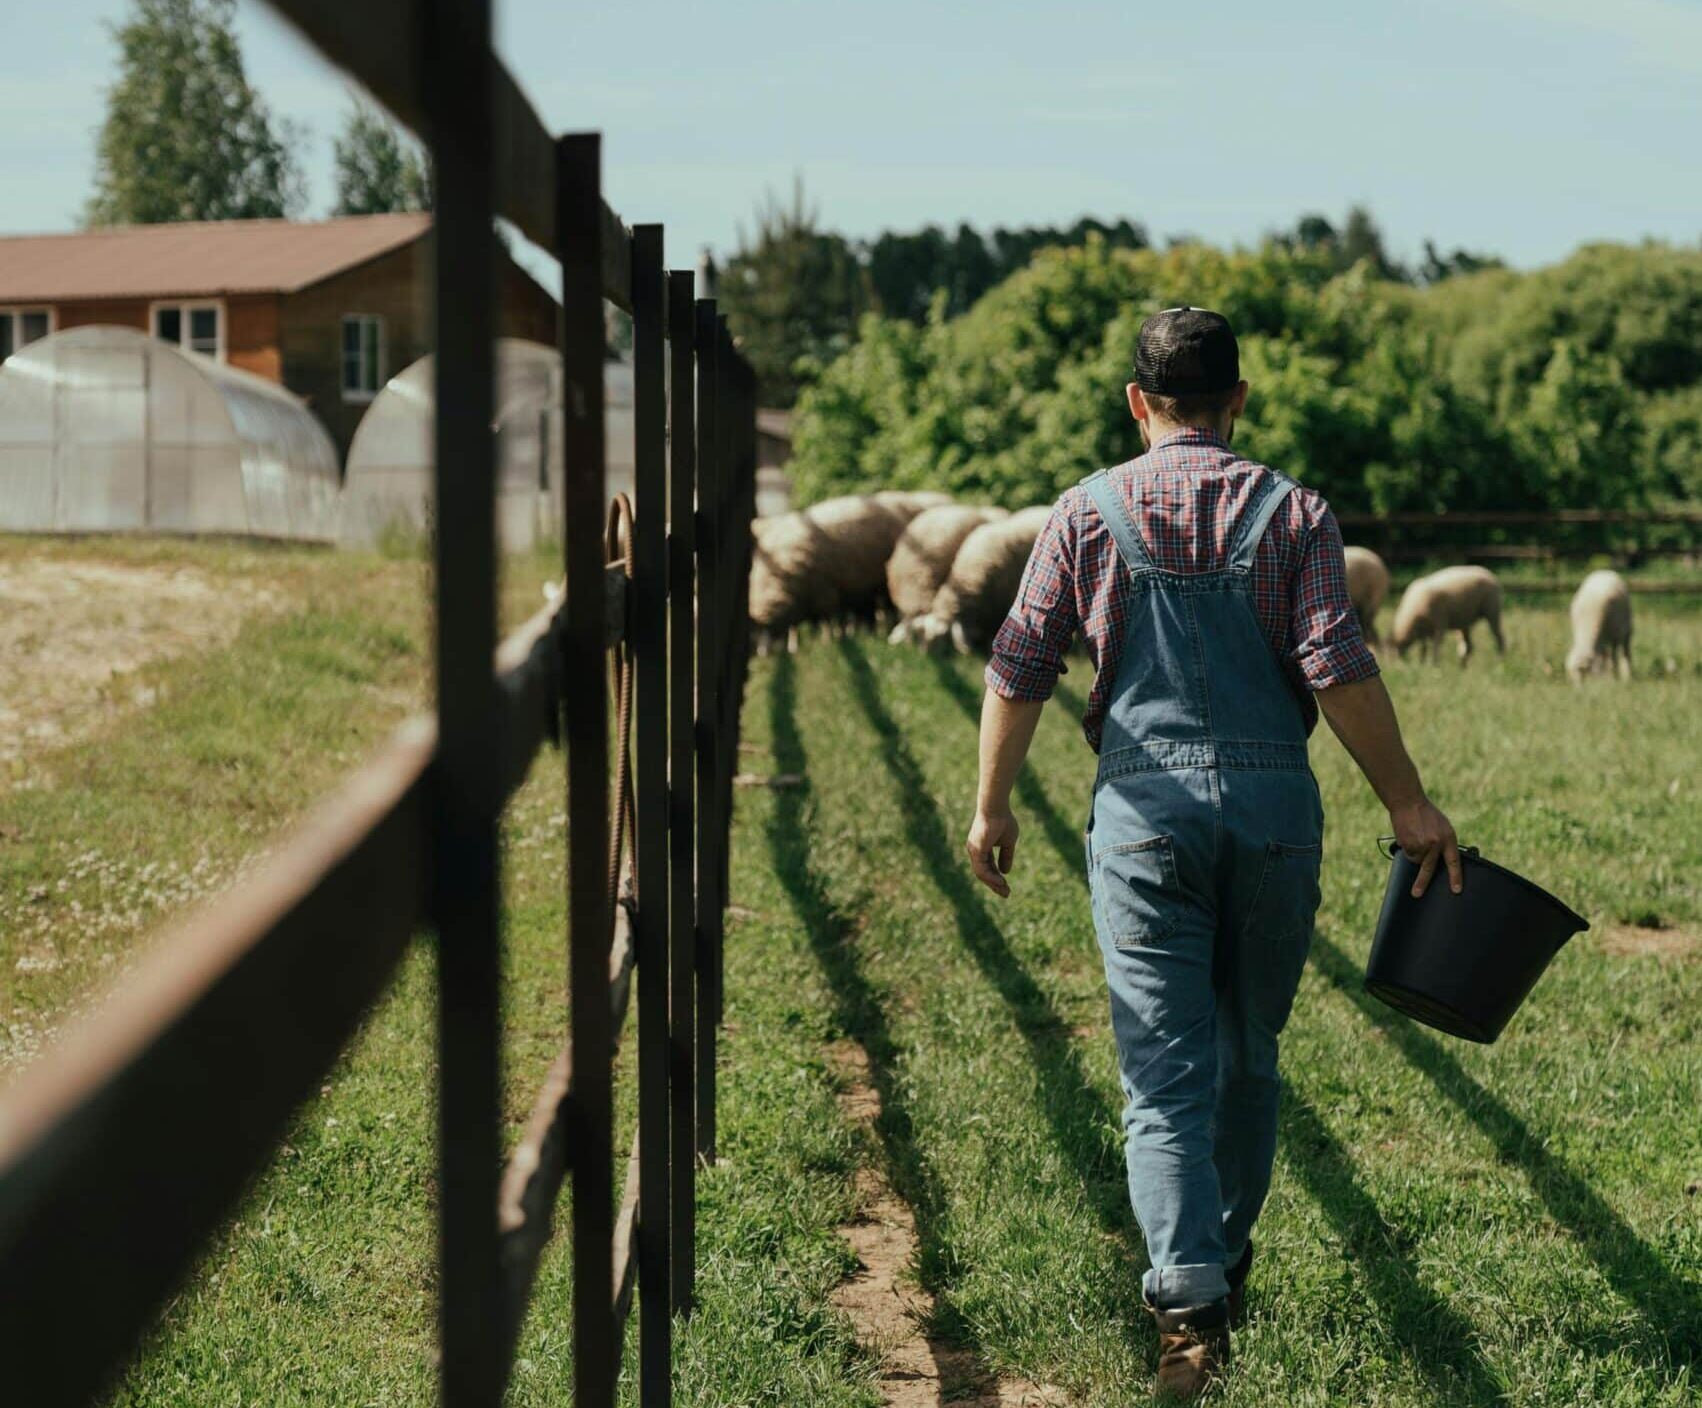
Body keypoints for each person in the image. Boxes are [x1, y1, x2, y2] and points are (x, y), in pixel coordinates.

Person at [963, 307, 1461, 1400]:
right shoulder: (1297, 512)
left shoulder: (1084, 511)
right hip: (1275, 811)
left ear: (1136, 404)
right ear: (1238, 399)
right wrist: (1409, 802)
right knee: (1246, 1051)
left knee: (1162, 1071)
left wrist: (992, 805)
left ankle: (1189, 1307)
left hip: (1143, 814)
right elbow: (1333, 665)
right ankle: (1224, 1263)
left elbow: (1020, 661)